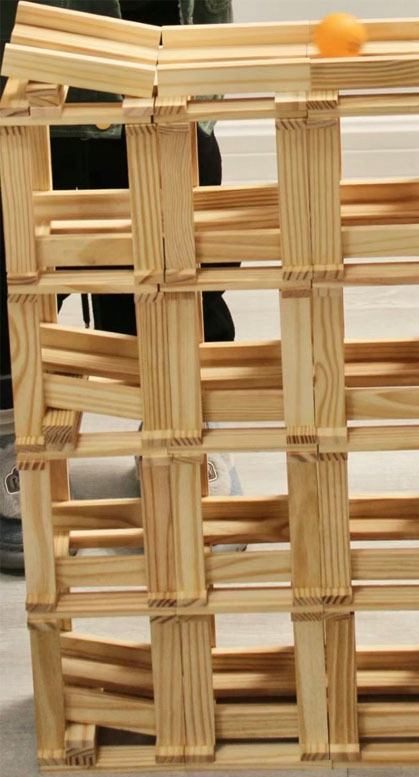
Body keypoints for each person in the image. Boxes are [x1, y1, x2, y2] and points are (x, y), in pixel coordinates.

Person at [0, 0, 242, 571]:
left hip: (158, 65)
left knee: (184, 270)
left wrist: (205, 80)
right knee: (13, 272)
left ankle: (184, 423)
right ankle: (12, 430)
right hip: (28, 69)